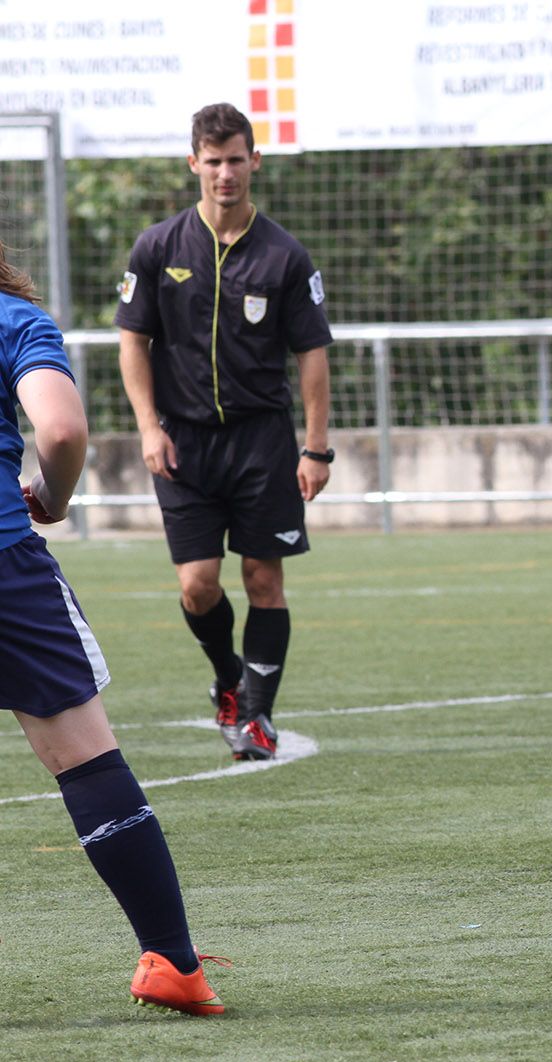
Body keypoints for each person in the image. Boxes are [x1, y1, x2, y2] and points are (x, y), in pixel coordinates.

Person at [0, 239, 226, 1013]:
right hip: (5, 567)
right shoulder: (15, 320)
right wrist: (54, 499)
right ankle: (173, 961)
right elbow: (60, 432)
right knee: (86, 763)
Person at [116, 102, 333, 762]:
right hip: (183, 442)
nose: (225, 172)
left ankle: (258, 718)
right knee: (198, 583)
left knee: (264, 580)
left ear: (254, 161)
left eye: (236, 159)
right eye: (212, 161)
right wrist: (148, 429)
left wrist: (317, 446)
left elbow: (313, 355)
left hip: (262, 441)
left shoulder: (285, 255)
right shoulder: (158, 247)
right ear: (194, 164)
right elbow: (132, 342)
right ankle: (229, 679)